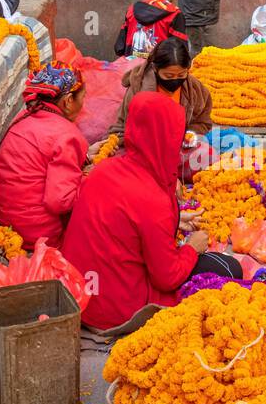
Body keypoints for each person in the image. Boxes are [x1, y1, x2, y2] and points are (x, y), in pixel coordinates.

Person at [61, 92, 240, 331]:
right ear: (167, 139)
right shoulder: (152, 199)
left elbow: (126, 222)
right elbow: (167, 277)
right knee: (225, 267)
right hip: (118, 310)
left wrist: (174, 219)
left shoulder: (105, 170)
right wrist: (191, 248)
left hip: (80, 298)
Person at [0, 64, 88, 247]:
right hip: (41, 236)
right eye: (83, 98)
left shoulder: (25, 116)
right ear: (68, 101)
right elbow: (61, 201)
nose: (84, 105)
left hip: (10, 227)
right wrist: (90, 179)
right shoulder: (66, 135)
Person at [105, 36, 212, 156]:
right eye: (169, 76)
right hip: (144, 150)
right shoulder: (139, 89)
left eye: (181, 75)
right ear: (155, 69)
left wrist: (190, 134)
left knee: (207, 154)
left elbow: (203, 122)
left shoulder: (196, 91)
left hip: (179, 149)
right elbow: (122, 127)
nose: (175, 80)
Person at [113, 0, 188, 57]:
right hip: (158, 69)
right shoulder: (175, 15)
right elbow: (180, 54)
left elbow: (119, 48)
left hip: (132, 69)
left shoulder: (132, 9)